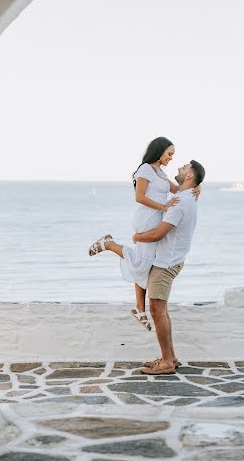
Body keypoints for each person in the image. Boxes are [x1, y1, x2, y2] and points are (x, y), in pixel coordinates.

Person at [89, 160, 205, 375]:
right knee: (160, 309)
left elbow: (158, 234)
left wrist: (137, 236)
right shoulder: (188, 196)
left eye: (184, 168)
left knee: (157, 310)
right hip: (171, 259)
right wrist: (198, 187)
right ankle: (168, 356)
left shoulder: (180, 202)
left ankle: (168, 362)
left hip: (166, 263)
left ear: (190, 176)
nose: (179, 168)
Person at [88, 137, 200, 331]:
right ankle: (109, 244)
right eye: (169, 154)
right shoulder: (145, 169)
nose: (171, 158)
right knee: (141, 264)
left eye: (173, 155)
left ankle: (139, 308)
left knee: (144, 266)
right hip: (146, 220)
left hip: (157, 221)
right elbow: (139, 197)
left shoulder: (162, 174)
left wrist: (197, 188)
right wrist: (163, 206)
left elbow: (179, 190)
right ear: (160, 151)